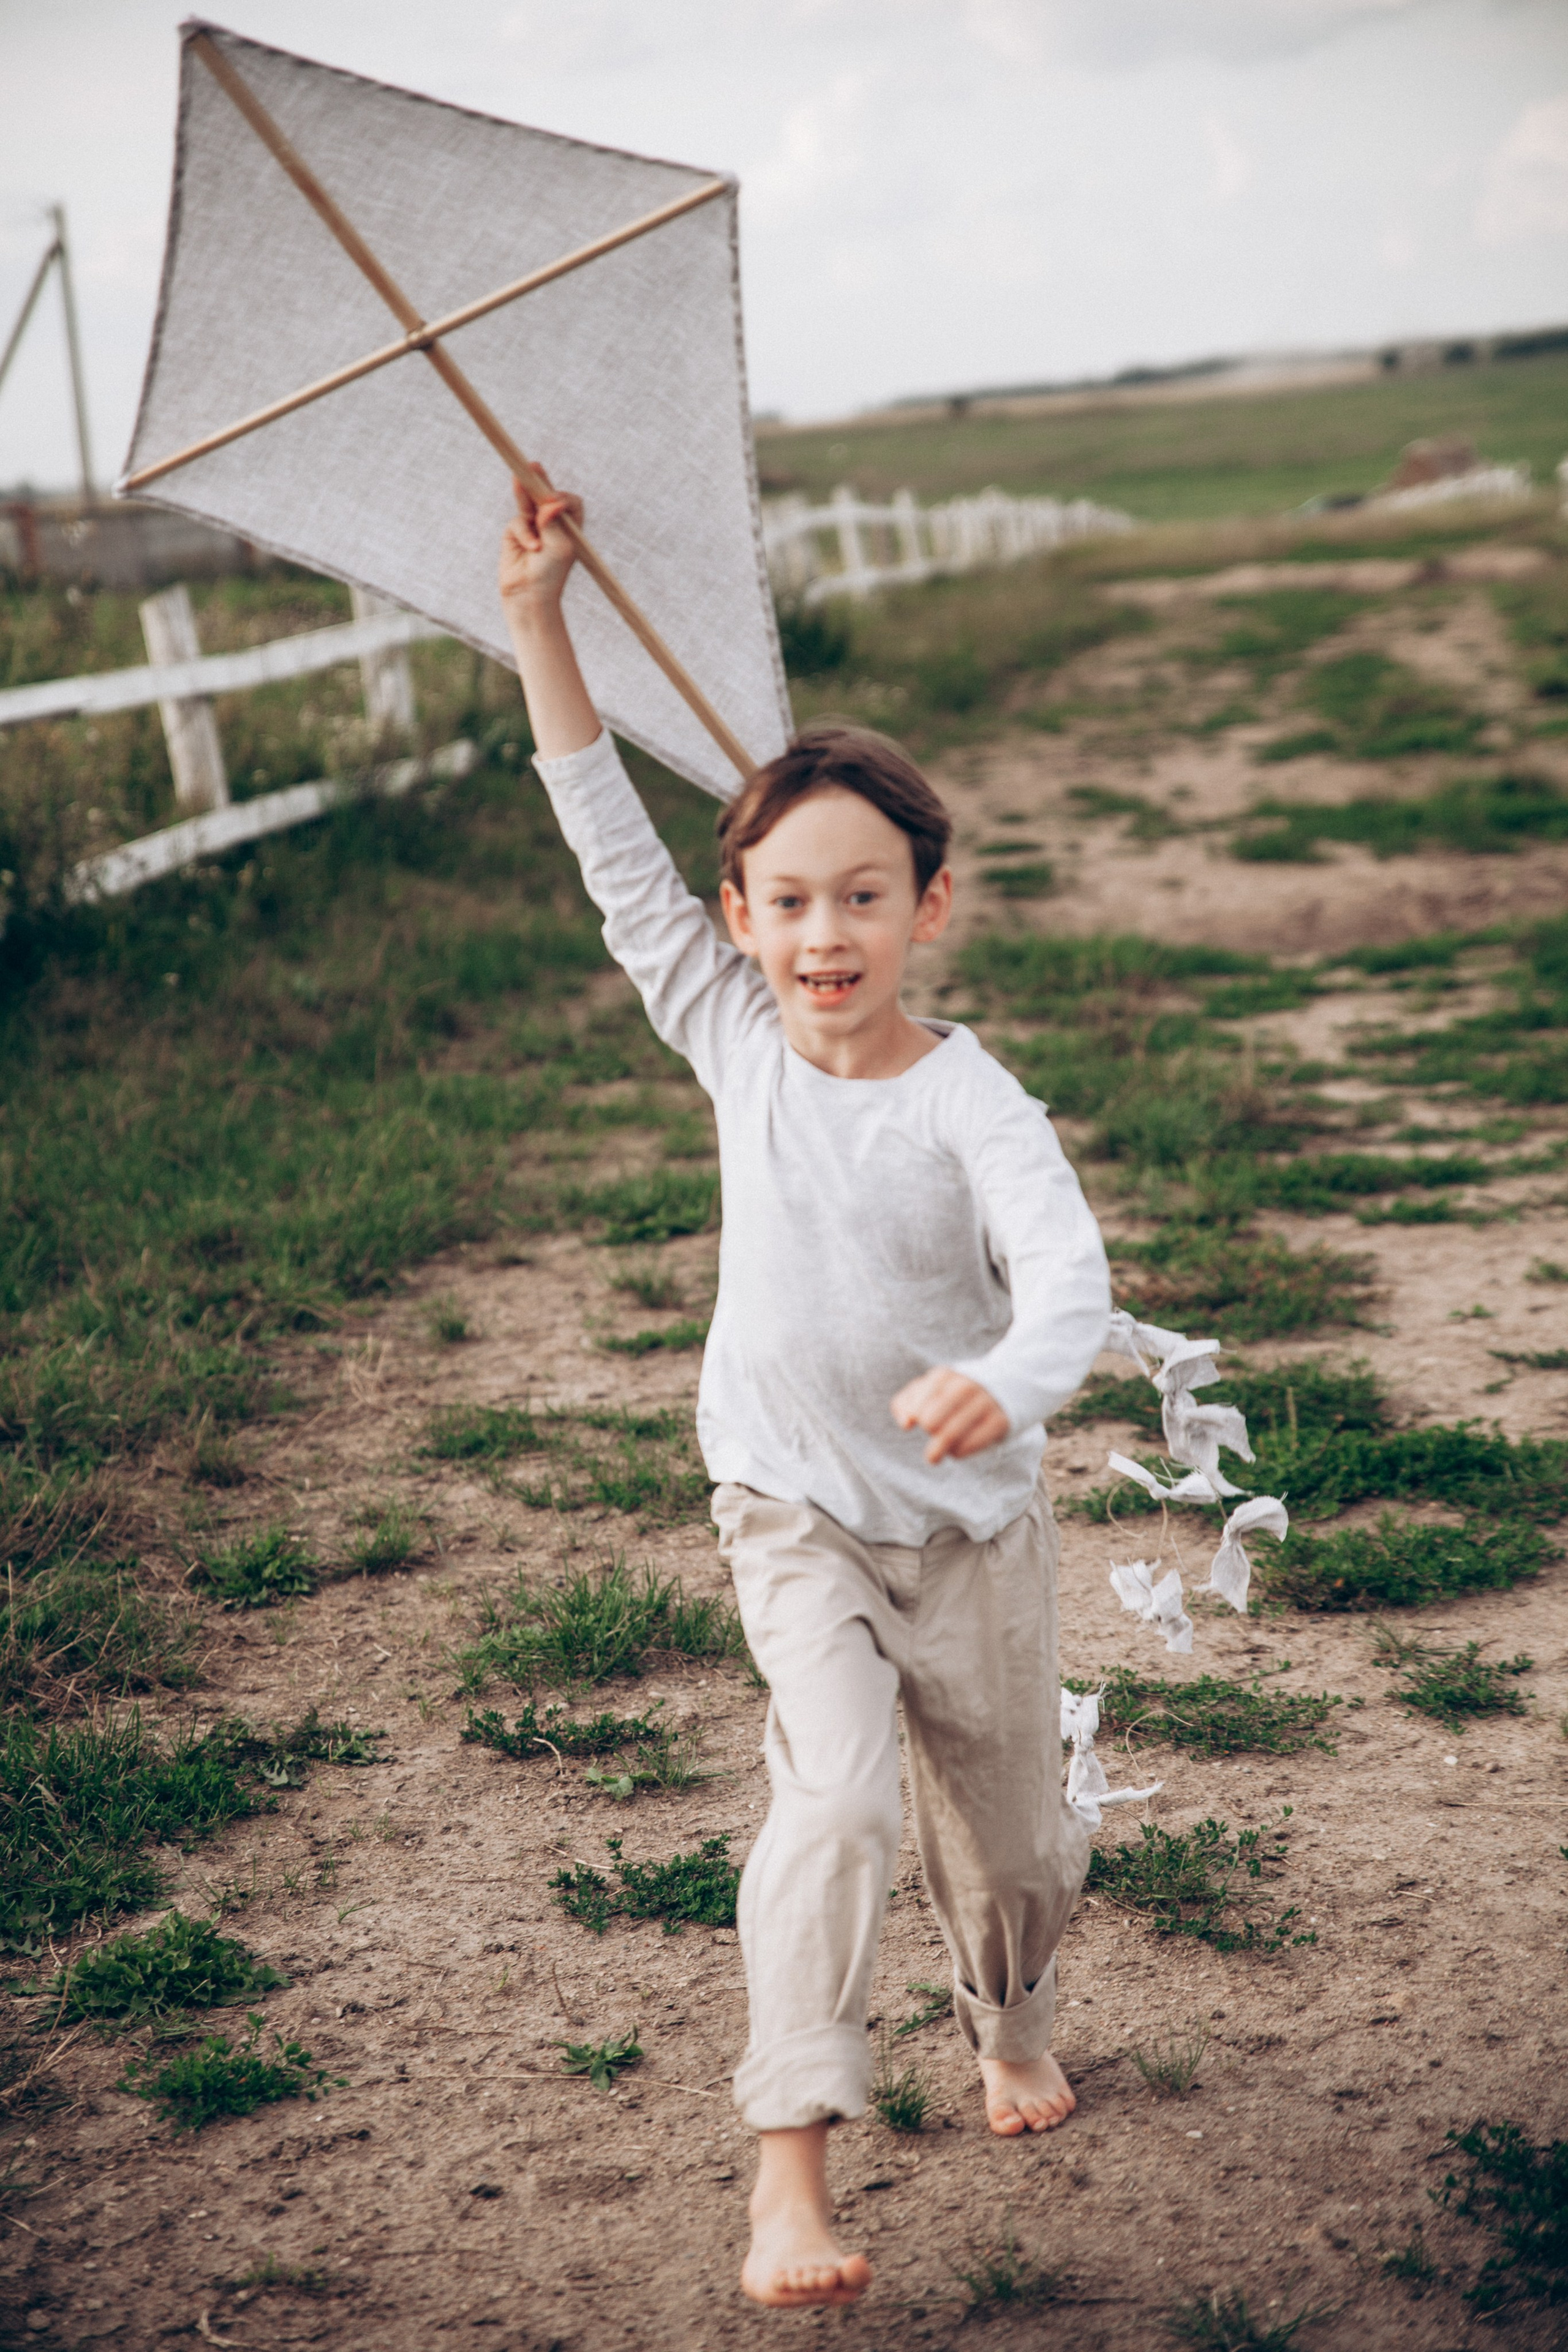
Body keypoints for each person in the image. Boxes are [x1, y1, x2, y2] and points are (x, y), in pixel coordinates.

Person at [499, 475, 1111, 2311]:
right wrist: (542, 621)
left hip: (969, 1534)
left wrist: (1011, 1382)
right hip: (794, 1512)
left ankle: (1008, 2020)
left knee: (1013, 1855)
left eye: (863, 896)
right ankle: (790, 2178)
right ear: (740, 919)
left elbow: (1070, 1279)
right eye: (787, 901)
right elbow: (608, 844)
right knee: (833, 1806)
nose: (824, 934)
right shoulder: (731, 1036)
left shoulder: (972, 1102)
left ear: (932, 905)